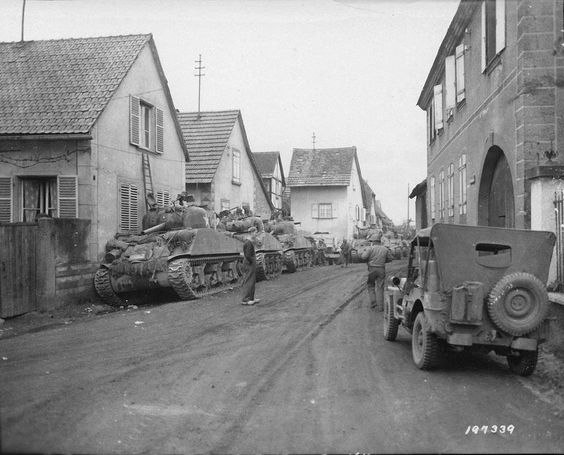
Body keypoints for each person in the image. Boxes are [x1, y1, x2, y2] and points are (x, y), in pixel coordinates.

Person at [359, 231, 393, 311]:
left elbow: (363, 257)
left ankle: (373, 303)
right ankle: (381, 307)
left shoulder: (370, 249)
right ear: (379, 241)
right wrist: (383, 261)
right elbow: (390, 258)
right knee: (380, 287)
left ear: (373, 241)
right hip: (381, 269)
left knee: (371, 285)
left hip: (372, 269)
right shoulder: (385, 249)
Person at [240, 227, 261, 305]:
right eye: (255, 232)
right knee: (249, 281)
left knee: (252, 281)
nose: (256, 234)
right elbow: (248, 255)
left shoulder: (249, 242)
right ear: (251, 233)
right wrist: (252, 261)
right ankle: (245, 299)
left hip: (250, 263)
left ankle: (251, 298)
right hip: (249, 264)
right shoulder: (248, 243)